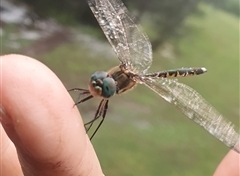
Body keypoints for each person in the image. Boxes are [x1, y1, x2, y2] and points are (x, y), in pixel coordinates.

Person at [1, 55, 239, 175]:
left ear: (113, 89)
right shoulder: (103, 81)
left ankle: (86, 134)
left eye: (102, 88)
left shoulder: (118, 88)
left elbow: (100, 111)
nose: (96, 87)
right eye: (97, 82)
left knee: (98, 117)